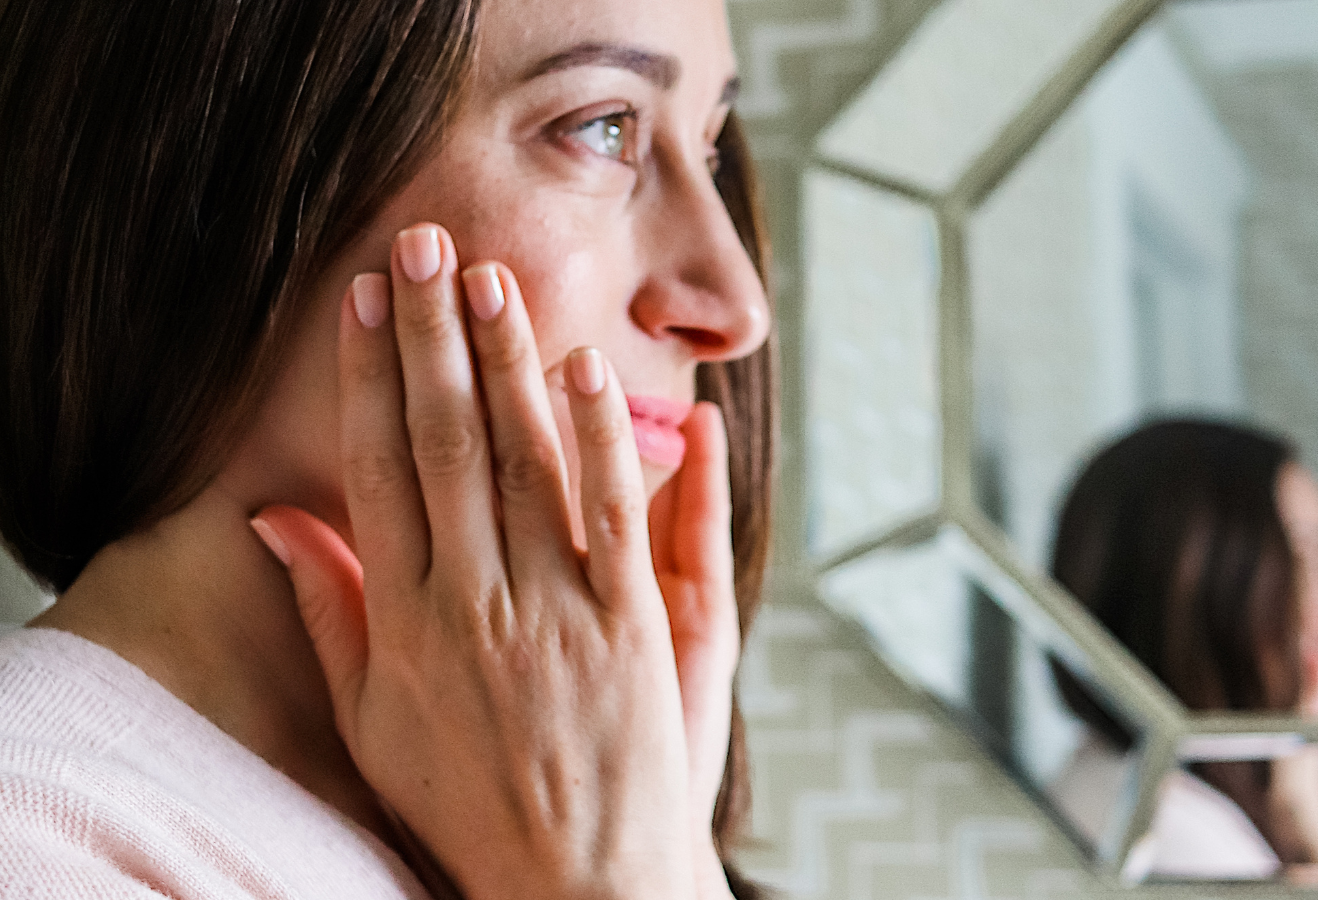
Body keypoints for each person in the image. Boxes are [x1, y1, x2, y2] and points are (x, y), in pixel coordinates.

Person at [0, 0, 774, 898]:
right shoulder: (38, 835)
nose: (736, 305)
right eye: (602, 127)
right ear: (209, 173)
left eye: (710, 151)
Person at [1048, 419, 1318, 881]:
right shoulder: (1173, 843)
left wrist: (1305, 796)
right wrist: (1312, 811)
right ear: (1199, 587)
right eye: (1300, 557)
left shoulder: (1128, 791)